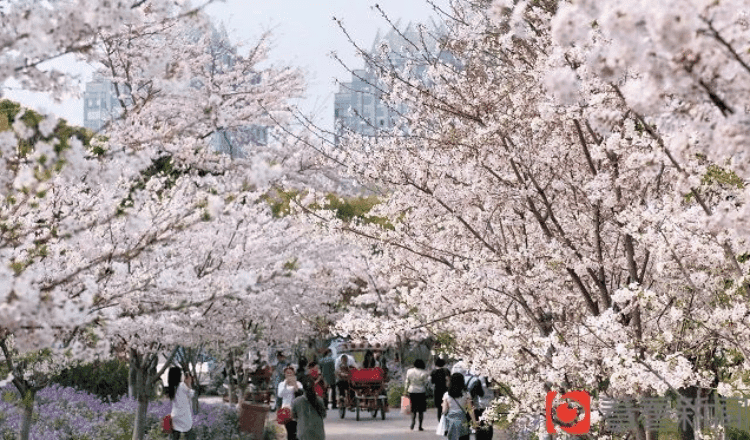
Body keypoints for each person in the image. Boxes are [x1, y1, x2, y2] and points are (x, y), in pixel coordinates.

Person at [442, 373, 476, 440]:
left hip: (451, 422)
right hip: (463, 421)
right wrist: (474, 422)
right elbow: (470, 409)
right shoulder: (466, 394)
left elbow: (444, 411)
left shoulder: (447, 395)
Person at [292, 375, 327, 440]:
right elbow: (324, 415)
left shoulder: (296, 401)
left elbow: (294, 416)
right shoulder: (319, 401)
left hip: (303, 434)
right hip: (318, 434)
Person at [167, 366, 195, 440]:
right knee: (190, 435)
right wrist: (189, 383)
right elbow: (191, 394)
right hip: (184, 416)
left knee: (175, 436)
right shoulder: (182, 386)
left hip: (175, 415)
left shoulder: (172, 388)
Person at [466, 373, 494, 440]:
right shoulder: (493, 380)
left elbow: (475, 395)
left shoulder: (477, 380)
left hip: (479, 408)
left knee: (480, 429)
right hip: (490, 407)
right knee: (489, 427)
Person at [277, 366, 302, 440]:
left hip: (297, 409)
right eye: (287, 373)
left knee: (297, 428)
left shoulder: (298, 383)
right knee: (289, 429)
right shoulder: (282, 384)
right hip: (286, 409)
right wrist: (285, 385)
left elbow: (301, 394)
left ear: (294, 373)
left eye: (290, 373)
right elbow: (280, 395)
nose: (289, 375)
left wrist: (295, 385)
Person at [404, 359, 429, 431]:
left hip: (412, 391)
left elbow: (407, 381)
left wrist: (406, 390)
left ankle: (413, 422)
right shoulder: (424, 373)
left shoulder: (409, 371)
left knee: (413, 409)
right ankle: (420, 426)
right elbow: (426, 383)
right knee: (421, 410)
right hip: (421, 392)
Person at [431, 358, 451, 422]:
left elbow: (432, 382)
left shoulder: (433, 372)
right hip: (445, 390)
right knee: (447, 406)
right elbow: (449, 380)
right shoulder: (446, 371)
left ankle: (440, 421)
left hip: (437, 390)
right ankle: (446, 420)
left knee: (439, 408)